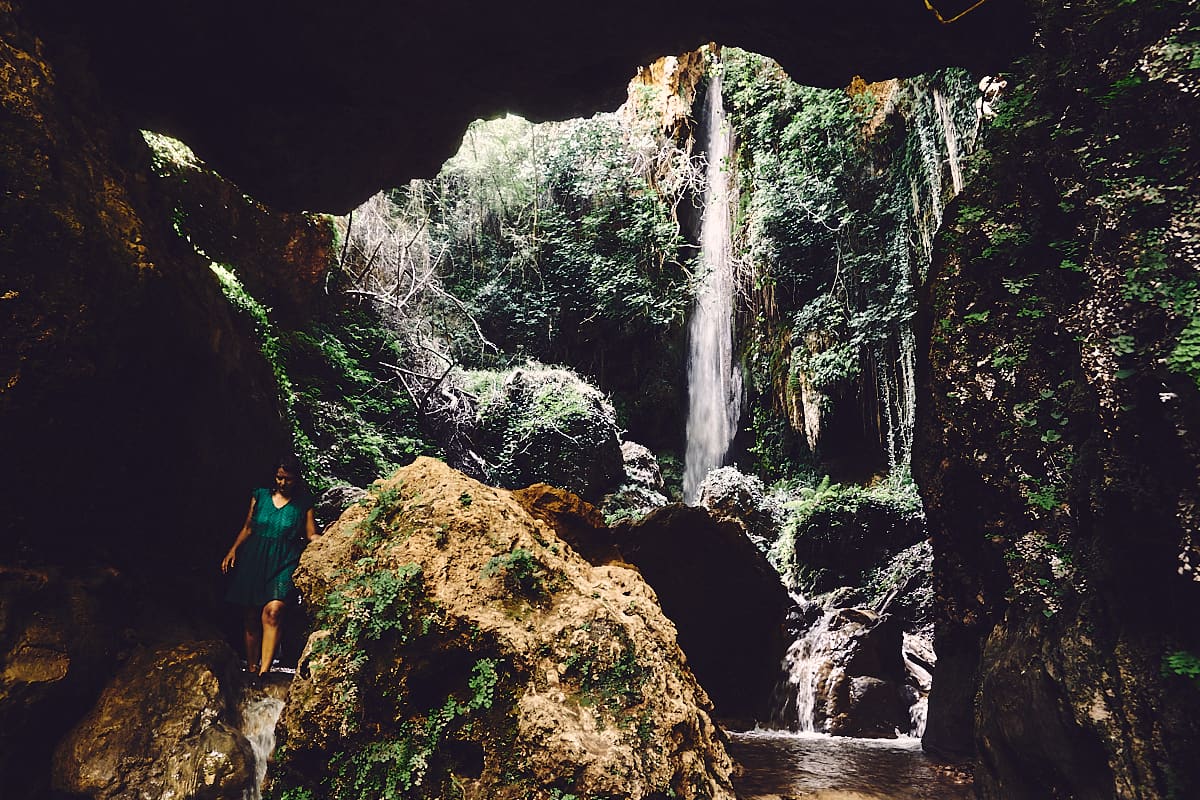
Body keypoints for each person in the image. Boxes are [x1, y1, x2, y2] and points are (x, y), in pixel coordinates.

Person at [221, 455, 319, 678]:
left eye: (288, 479)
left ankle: (264, 671)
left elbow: (311, 534)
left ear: (297, 480)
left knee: (273, 611)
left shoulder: (303, 504)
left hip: (285, 559)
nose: (283, 483)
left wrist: (327, 541)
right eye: (279, 478)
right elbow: (248, 528)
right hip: (255, 558)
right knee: (251, 616)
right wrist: (233, 550)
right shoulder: (260, 496)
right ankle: (252, 667)